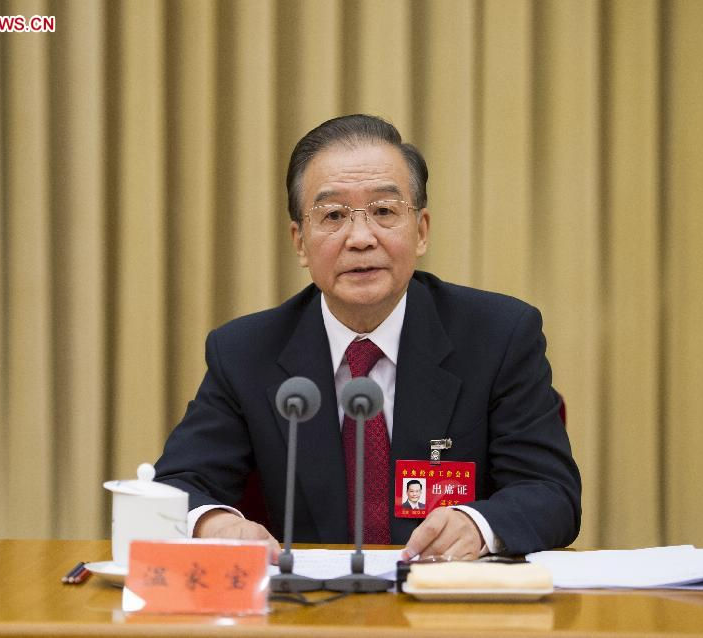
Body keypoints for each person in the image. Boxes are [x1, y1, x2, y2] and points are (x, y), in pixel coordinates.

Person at [154, 114, 581, 564]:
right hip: (308, 617)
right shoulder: (245, 351)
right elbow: (177, 486)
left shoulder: (498, 335)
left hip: (450, 612)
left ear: (420, 231)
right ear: (299, 241)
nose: (360, 238)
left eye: (384, 212)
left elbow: (551, 493)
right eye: (333, 215)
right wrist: (213, 522)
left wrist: (479, 526)